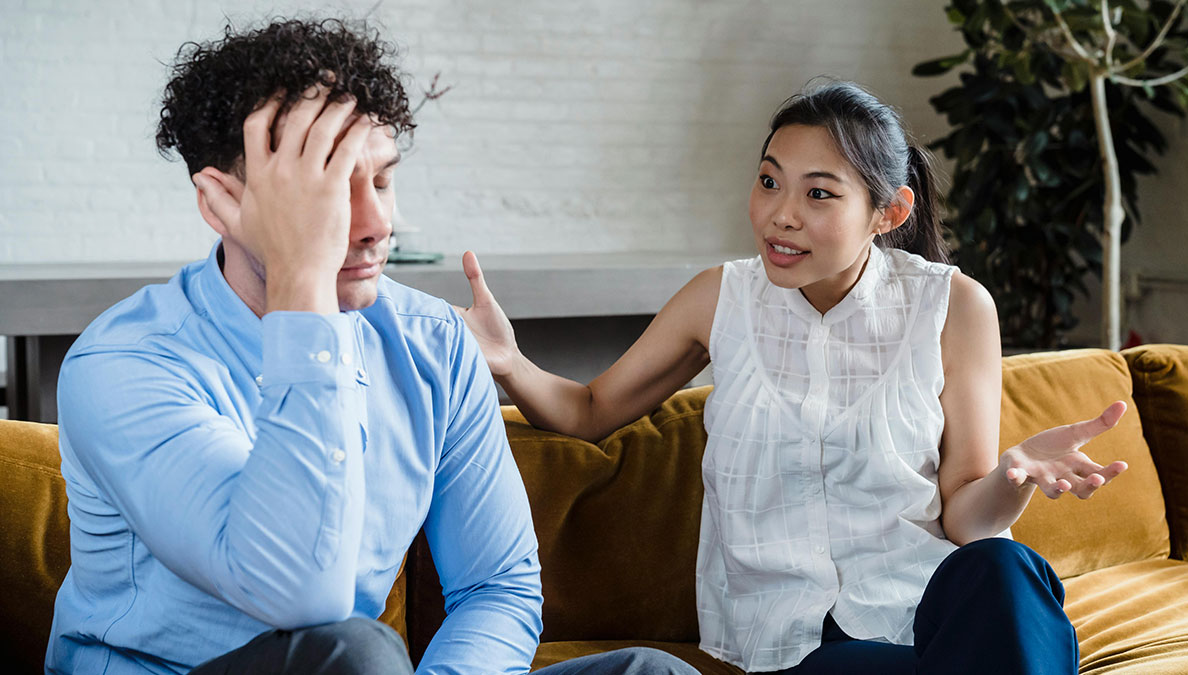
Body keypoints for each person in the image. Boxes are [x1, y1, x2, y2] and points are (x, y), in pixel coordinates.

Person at [46, 18, 698, 675]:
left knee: (650, 672)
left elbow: (498, 587)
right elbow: (300, 594)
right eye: (328, 189)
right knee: (354, 651)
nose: (377, 223)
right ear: (222, 201)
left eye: (382, 182)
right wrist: (303, 283)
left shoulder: (434, 342)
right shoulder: (123, 364)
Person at [456, 80, 1128, 674]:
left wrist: (1011, 475)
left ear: (889, 212)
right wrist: (510, 362)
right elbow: (590, 407)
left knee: (1003, 568)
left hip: (933, 612)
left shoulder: (953, 307)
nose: (781, 213)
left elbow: (965, 517)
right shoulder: (720, 298)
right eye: (770, 181)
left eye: (819, 194)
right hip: (799, 647)